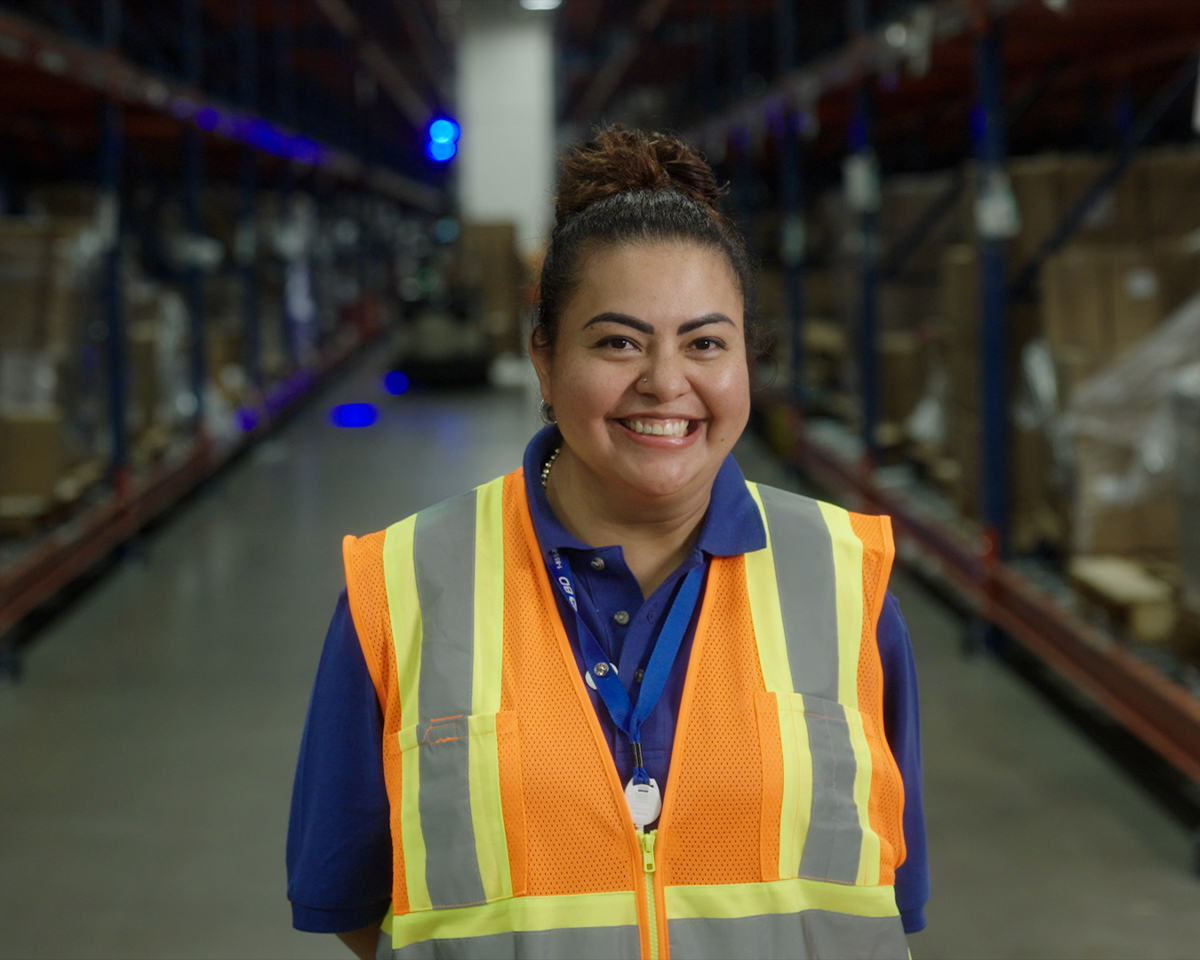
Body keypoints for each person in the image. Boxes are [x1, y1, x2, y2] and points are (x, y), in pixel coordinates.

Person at [287, 126, 928, 960]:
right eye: (618, 341)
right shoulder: (403, 588)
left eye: (705, 342)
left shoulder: (847, 583)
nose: (666, 382)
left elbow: (883, 900)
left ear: (746, 363)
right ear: (545, 363)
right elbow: (348, 896)